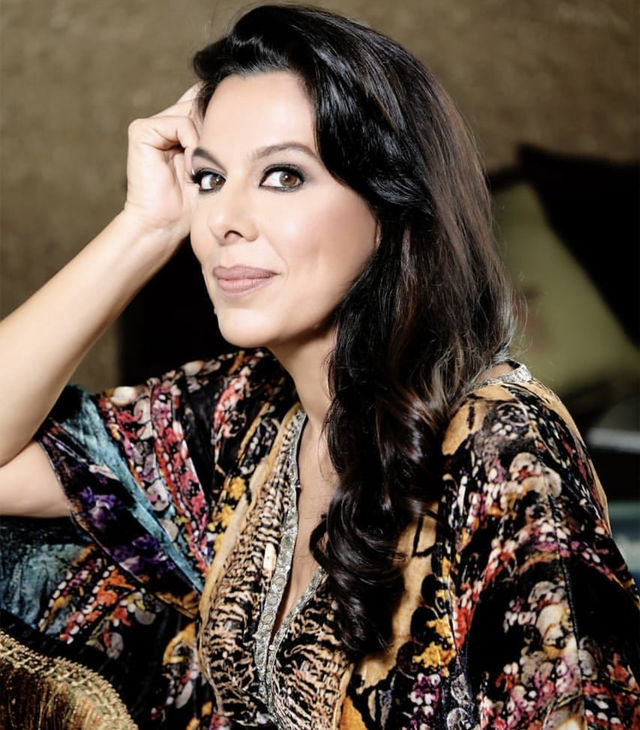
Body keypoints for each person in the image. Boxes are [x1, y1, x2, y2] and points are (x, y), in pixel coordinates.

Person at [0, 4, 638, 729]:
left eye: (283, 175)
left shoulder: (501, 443)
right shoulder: (239, 414)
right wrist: (144, 227)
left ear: (389, 202)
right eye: (208, 179)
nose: (224, 220)